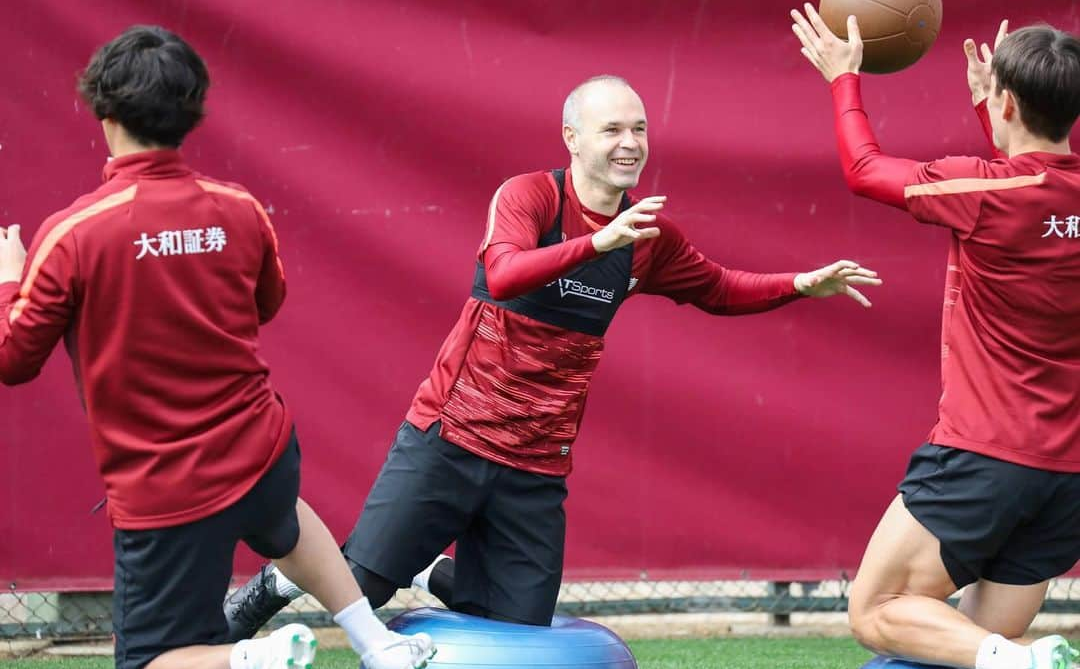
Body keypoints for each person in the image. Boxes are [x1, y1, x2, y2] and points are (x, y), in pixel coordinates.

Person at [223, 72, 883, 638]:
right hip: (451, 438)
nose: (630, 144)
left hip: (536, 467)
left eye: (639, 129)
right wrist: (598, 244)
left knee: (516, 633)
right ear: (573, 139)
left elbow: (716, 287)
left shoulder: (647, 237)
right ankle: (277, 587)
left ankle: (432, 572)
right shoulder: (531, 196)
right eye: (611, 130)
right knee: (363, 589)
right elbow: (504, 274)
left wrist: (799, 284)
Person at [0, 25, 435, 669]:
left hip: (165, 485)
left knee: (150, 662)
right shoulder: (240, 210)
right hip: (262, 449)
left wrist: (9, 278)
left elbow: (13, 358)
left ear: (105, 112)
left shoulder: (74, 233)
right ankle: (375, 642)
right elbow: (265, 303)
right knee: (284, 524)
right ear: (191, 111)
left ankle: (250, 658)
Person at [790, 4, 1080, 669]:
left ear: (1009, 100)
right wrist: (995, 115)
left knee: (877, 609)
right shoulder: (1017, 189)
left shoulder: (985, 190)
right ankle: (1035, 664)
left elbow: (864, 168)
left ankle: (1036, 665)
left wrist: (844, 77)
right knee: (981, 640)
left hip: (984, 454)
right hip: (1068, 473)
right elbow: (1040, 198)